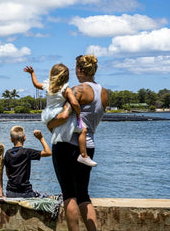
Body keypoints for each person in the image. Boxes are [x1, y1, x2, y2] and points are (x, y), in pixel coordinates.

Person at [47, 54, 108, 231]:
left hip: (67, 145)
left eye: (76, 69)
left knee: (69, 194)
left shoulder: (78, 90)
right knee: (83, 195)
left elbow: (64, 115)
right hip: (88, 146)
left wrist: (50, 123)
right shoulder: (104, 93)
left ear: (80, 70)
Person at [24, 64, 97, 167]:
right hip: (59, 113)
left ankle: (58, 137)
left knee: (55, 127)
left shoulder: (48, 86)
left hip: (49, 114)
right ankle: (84, 155)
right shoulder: (66, 90)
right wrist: (78, 112)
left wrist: (32, 73)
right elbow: (75, 103)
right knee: (83, 130)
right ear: (66, 77)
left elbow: (36, 84)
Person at [4, 126, 52, 198]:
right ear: (24, 138)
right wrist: (41, 138)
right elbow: (48, 152)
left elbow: (8, 173)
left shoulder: (7, 153)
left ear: (11, 139)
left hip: (10, 191)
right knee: (39, 194)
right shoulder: (27, 152)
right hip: (25, 191)